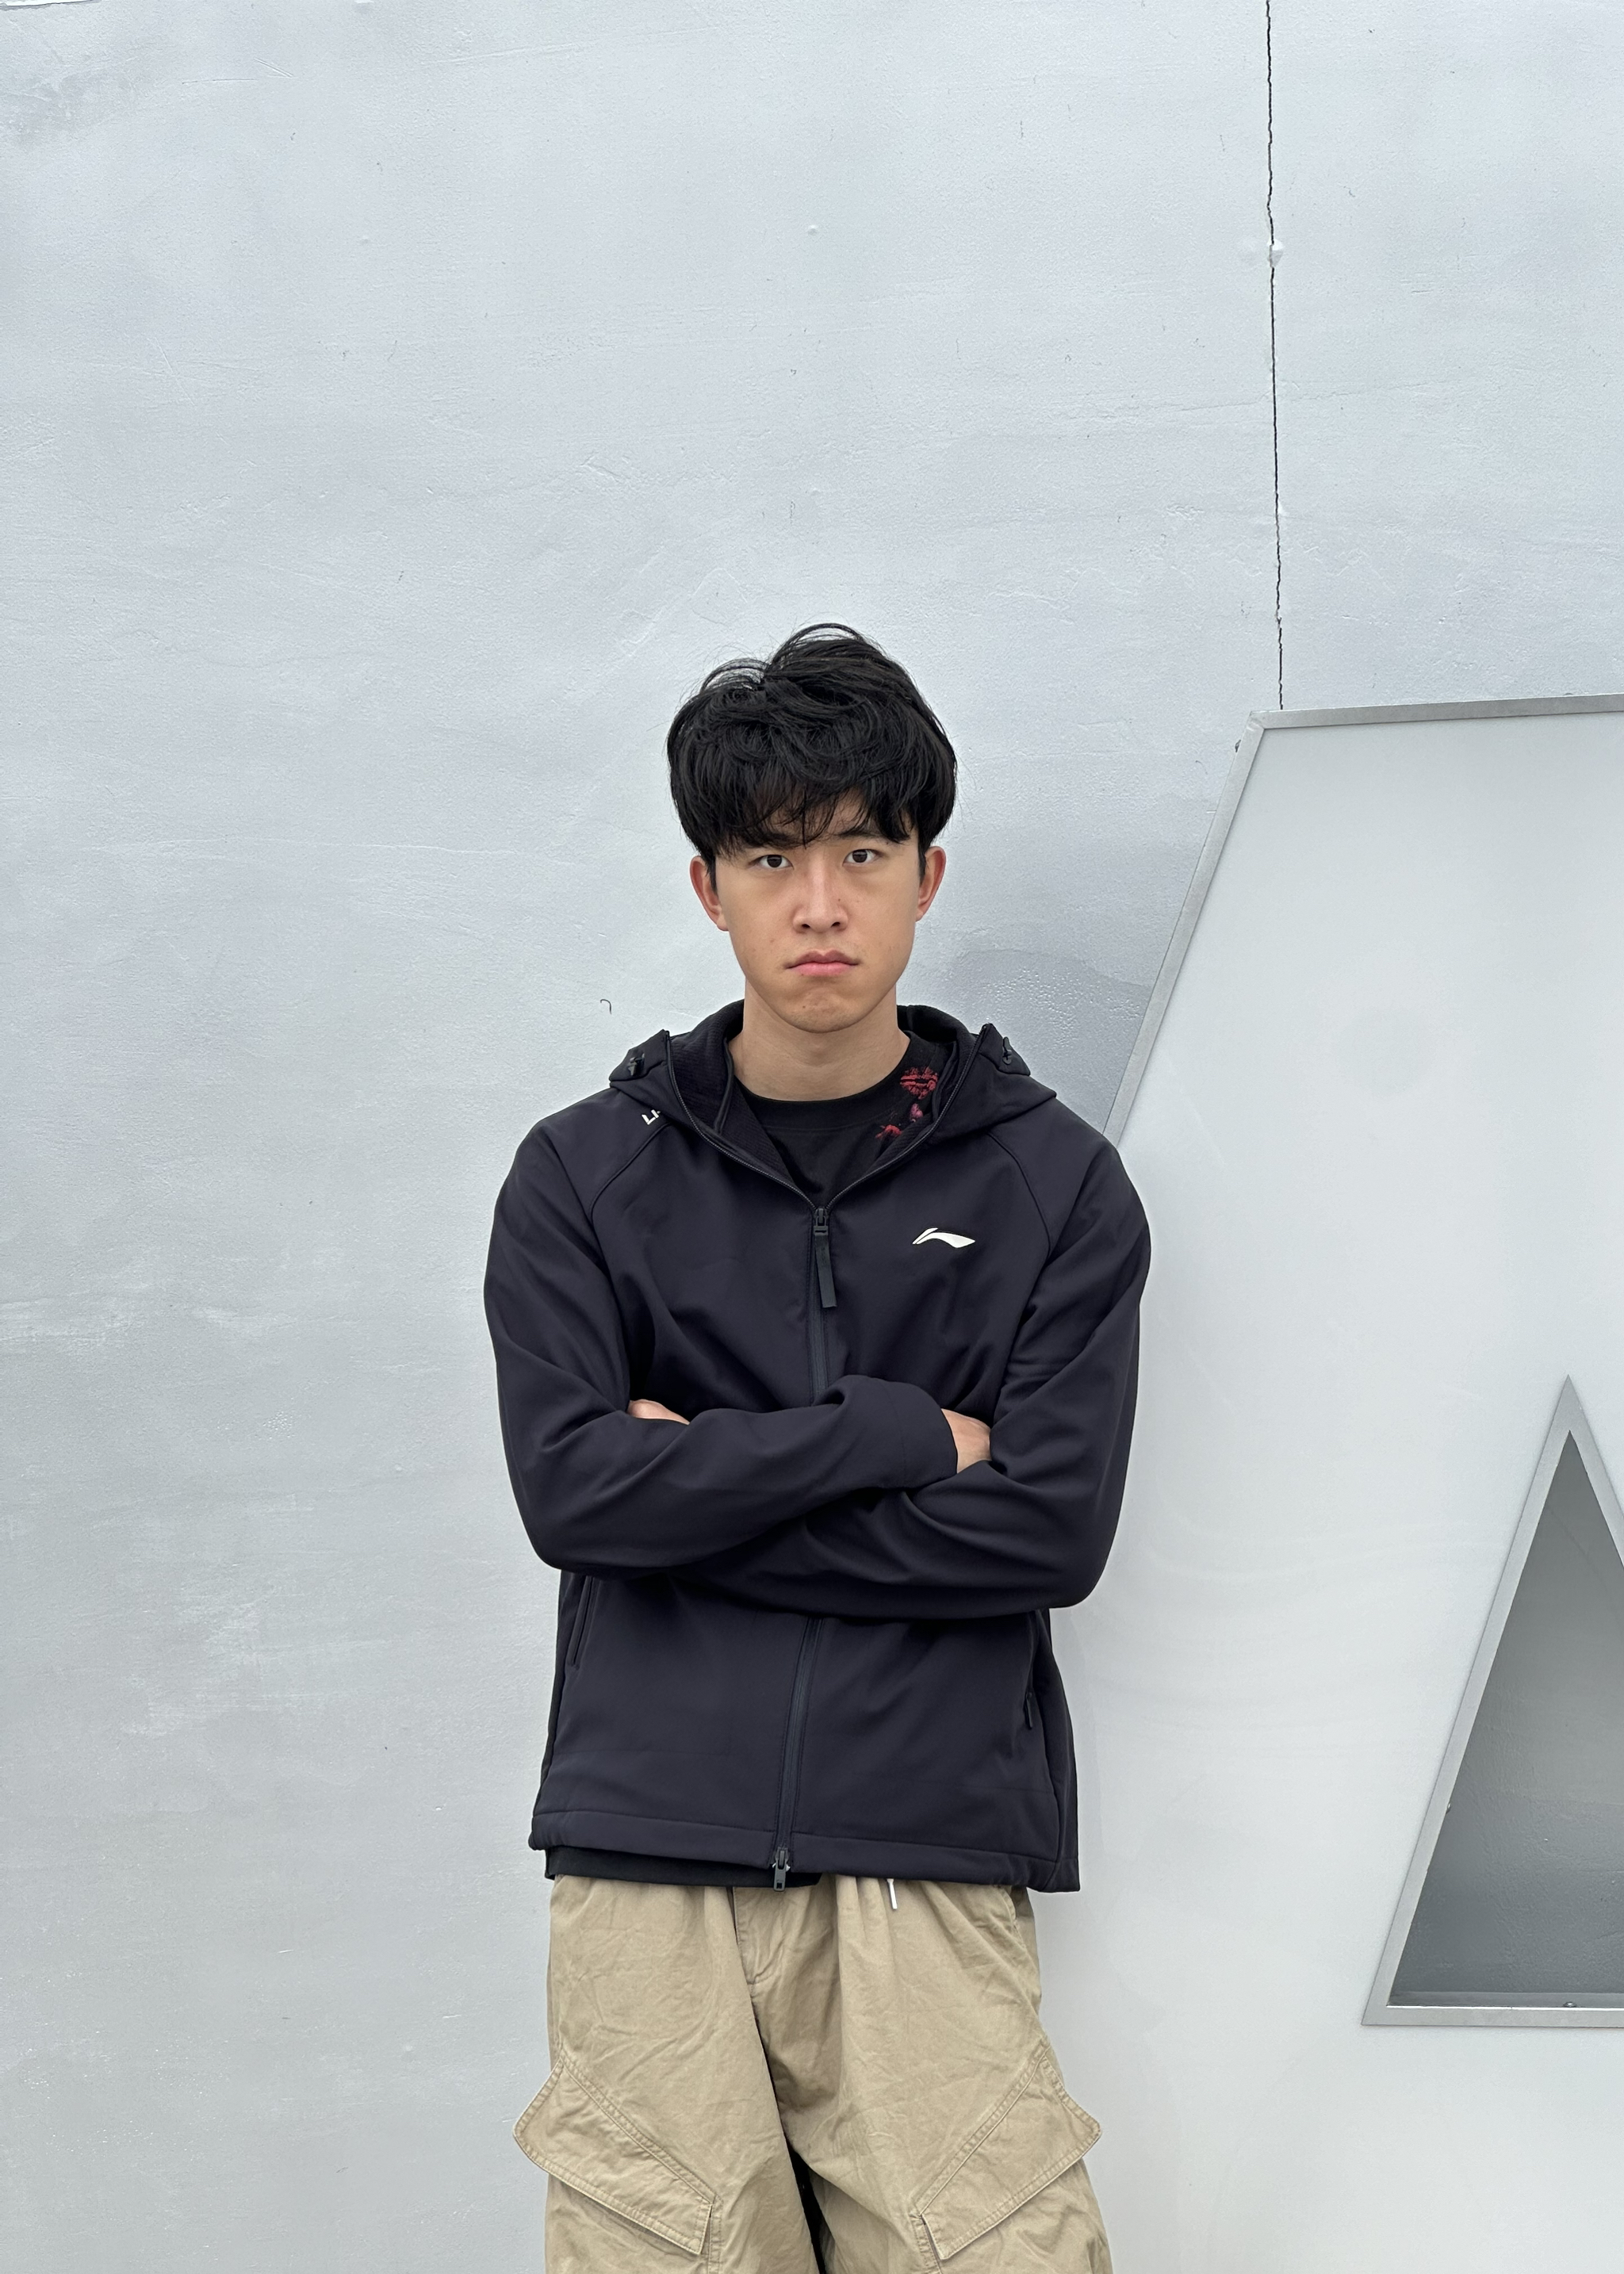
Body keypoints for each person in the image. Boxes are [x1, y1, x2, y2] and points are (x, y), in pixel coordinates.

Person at [485, 624, 1150, 2272]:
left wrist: (690, 1489)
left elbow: (1047, 1535)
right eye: (771, 858)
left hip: (924, 1857)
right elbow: (574, 1493)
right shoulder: (582, 1177)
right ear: (709, 889)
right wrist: (896, 1434)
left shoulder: (1054, 1188)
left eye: (861, 851)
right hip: (649, 1861)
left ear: (928, 874)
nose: (819, 903)